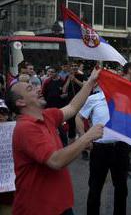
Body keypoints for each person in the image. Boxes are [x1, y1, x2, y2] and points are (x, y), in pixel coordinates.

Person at [4, 68, 104, 215]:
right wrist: (86, 137)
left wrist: (90, 82)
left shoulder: (47, 115)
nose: (39, 88)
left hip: (61, 206)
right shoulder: (25, 128)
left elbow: (72, 107)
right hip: (38, 210)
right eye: (31, 88)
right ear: (20, 102)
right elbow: (55, 161)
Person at [76, 87, 129, 215]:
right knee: (95, 187)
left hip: (120, 147)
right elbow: (79, 117)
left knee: (121, 188)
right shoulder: (94, 99)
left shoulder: (124, 98)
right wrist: (84, 138)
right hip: (100, 149)